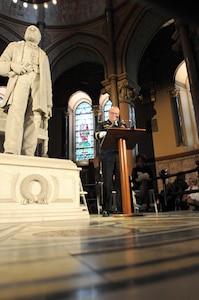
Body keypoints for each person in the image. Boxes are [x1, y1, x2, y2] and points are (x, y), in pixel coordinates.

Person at [0, 25, 52, 156]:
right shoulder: (14, 46)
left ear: (40, 37)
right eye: (30, 29)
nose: (32, 30)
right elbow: (1, 64)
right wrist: (13, 66)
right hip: (20, 81)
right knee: (16, 115)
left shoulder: (43, 55)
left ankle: (28, 153)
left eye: (36, 30)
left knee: (33, 119)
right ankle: (12, 150)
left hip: (37, 86)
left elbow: (47, 82)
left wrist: (49, 104)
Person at [94, 106, 126, 217]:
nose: (115, 116)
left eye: (117, 114)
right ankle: (106, 209)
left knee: (120, 184)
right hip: (107, 157)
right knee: (107, 184)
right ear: (109, 113)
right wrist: (103, 133)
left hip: (119, 157)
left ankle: (121, 208)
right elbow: (96, 135)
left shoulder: (122, 126)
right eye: (113, 113)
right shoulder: (102, 124)